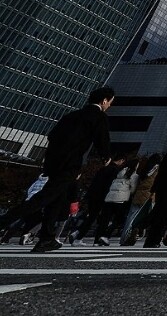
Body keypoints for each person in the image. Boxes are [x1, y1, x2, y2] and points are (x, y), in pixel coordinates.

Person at [0, 87, 115, 253]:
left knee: (55, 201)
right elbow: (102, 139)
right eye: (110, 102)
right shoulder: (98, 116)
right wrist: (106, 157)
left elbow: (51, 136)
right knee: (42, 199)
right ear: (104, 100)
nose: (109, 106)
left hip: (53, 163)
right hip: (69, 165)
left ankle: (46, 239)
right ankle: (4, 222)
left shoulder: (71, 115)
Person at [93, 158, 139, 245]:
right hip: (121, 200)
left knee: (104, 220)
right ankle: (106, 235)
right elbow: (133, 190)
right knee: (119, 219)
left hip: (109, 198)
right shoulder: (134, 175)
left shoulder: (119, 172)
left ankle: (97, 240)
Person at [119, 154, 161, 246]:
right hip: (148, 195)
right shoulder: (157, 170)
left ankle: (124, 238)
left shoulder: (144, 169)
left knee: (130, 217)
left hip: (138, 195)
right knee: (140, 218)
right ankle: (133, 234)